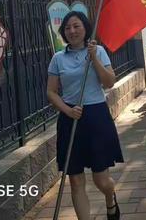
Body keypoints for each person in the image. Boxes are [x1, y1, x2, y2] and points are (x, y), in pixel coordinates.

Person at [47, 11, 122, 220]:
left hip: (96, 117)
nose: (72, 31)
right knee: (76, 181)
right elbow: (51, 91)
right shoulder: (58, 58)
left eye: (76, 26)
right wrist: (67, 110)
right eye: (68, 27)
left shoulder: (98, 52)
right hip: (71, 118)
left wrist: (93, 59)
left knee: (101, 179)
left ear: (85, 28)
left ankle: (110, 198)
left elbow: (109, 82)